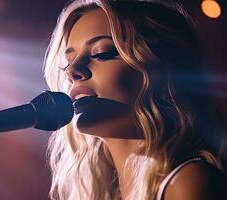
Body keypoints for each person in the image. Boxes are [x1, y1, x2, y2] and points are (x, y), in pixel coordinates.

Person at [43, 0, 227, 199]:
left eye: (101, 53)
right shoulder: (102, 193)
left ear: (160, 72)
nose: (72, 71)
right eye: (68, 62)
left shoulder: (187, 183)